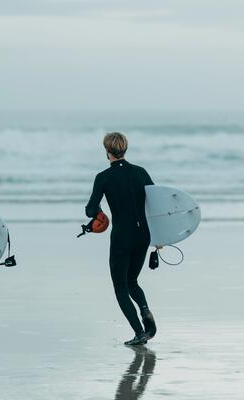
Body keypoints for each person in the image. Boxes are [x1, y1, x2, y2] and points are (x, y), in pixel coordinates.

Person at [85, 132, 157, 346]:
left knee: (120, 287)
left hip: (122, 237)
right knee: (132, 281)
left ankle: (139, 332)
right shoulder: (141, 172)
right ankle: (145, 312)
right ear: (124, 149)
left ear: (107, 151)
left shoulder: (104, 177)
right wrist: (160, 237)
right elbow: (156, 204)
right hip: (143, 235)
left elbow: (90, 210)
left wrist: (98, 213)